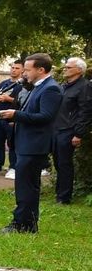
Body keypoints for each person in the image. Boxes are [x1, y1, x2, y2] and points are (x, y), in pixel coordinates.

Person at [0, 53, 61, 233]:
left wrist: (16, 115)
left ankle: (21, 224)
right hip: (26, 142)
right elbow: (32, 113)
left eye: (27, 69)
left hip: (35, 144)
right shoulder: (36, 87)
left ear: (41, 70)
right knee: (25, 185)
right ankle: (27, 223)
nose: (24, 73)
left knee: (26, 186)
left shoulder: (50, 88)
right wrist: (15, 119)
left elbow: (46, 116)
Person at [53, 57, 92, 204]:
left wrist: (78, 134)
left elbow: (86, 111)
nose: (65, 69)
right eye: (65, 67)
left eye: (68, 67)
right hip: (57, 129)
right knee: (58, 162)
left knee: (64, 163)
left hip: (70, 130)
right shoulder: (64, 86)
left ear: (79, 70)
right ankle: (59, 192)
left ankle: (64, 197)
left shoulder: (85, 86)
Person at [0, 59, 25, 176]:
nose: (13, 70)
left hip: (12, 119)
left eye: (17, 68)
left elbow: (23, 102)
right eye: (12, 67)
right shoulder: (4, 83)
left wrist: (8, 99)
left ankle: (13, 167)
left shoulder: (23, 85)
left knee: (12, 144)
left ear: (23, 70)